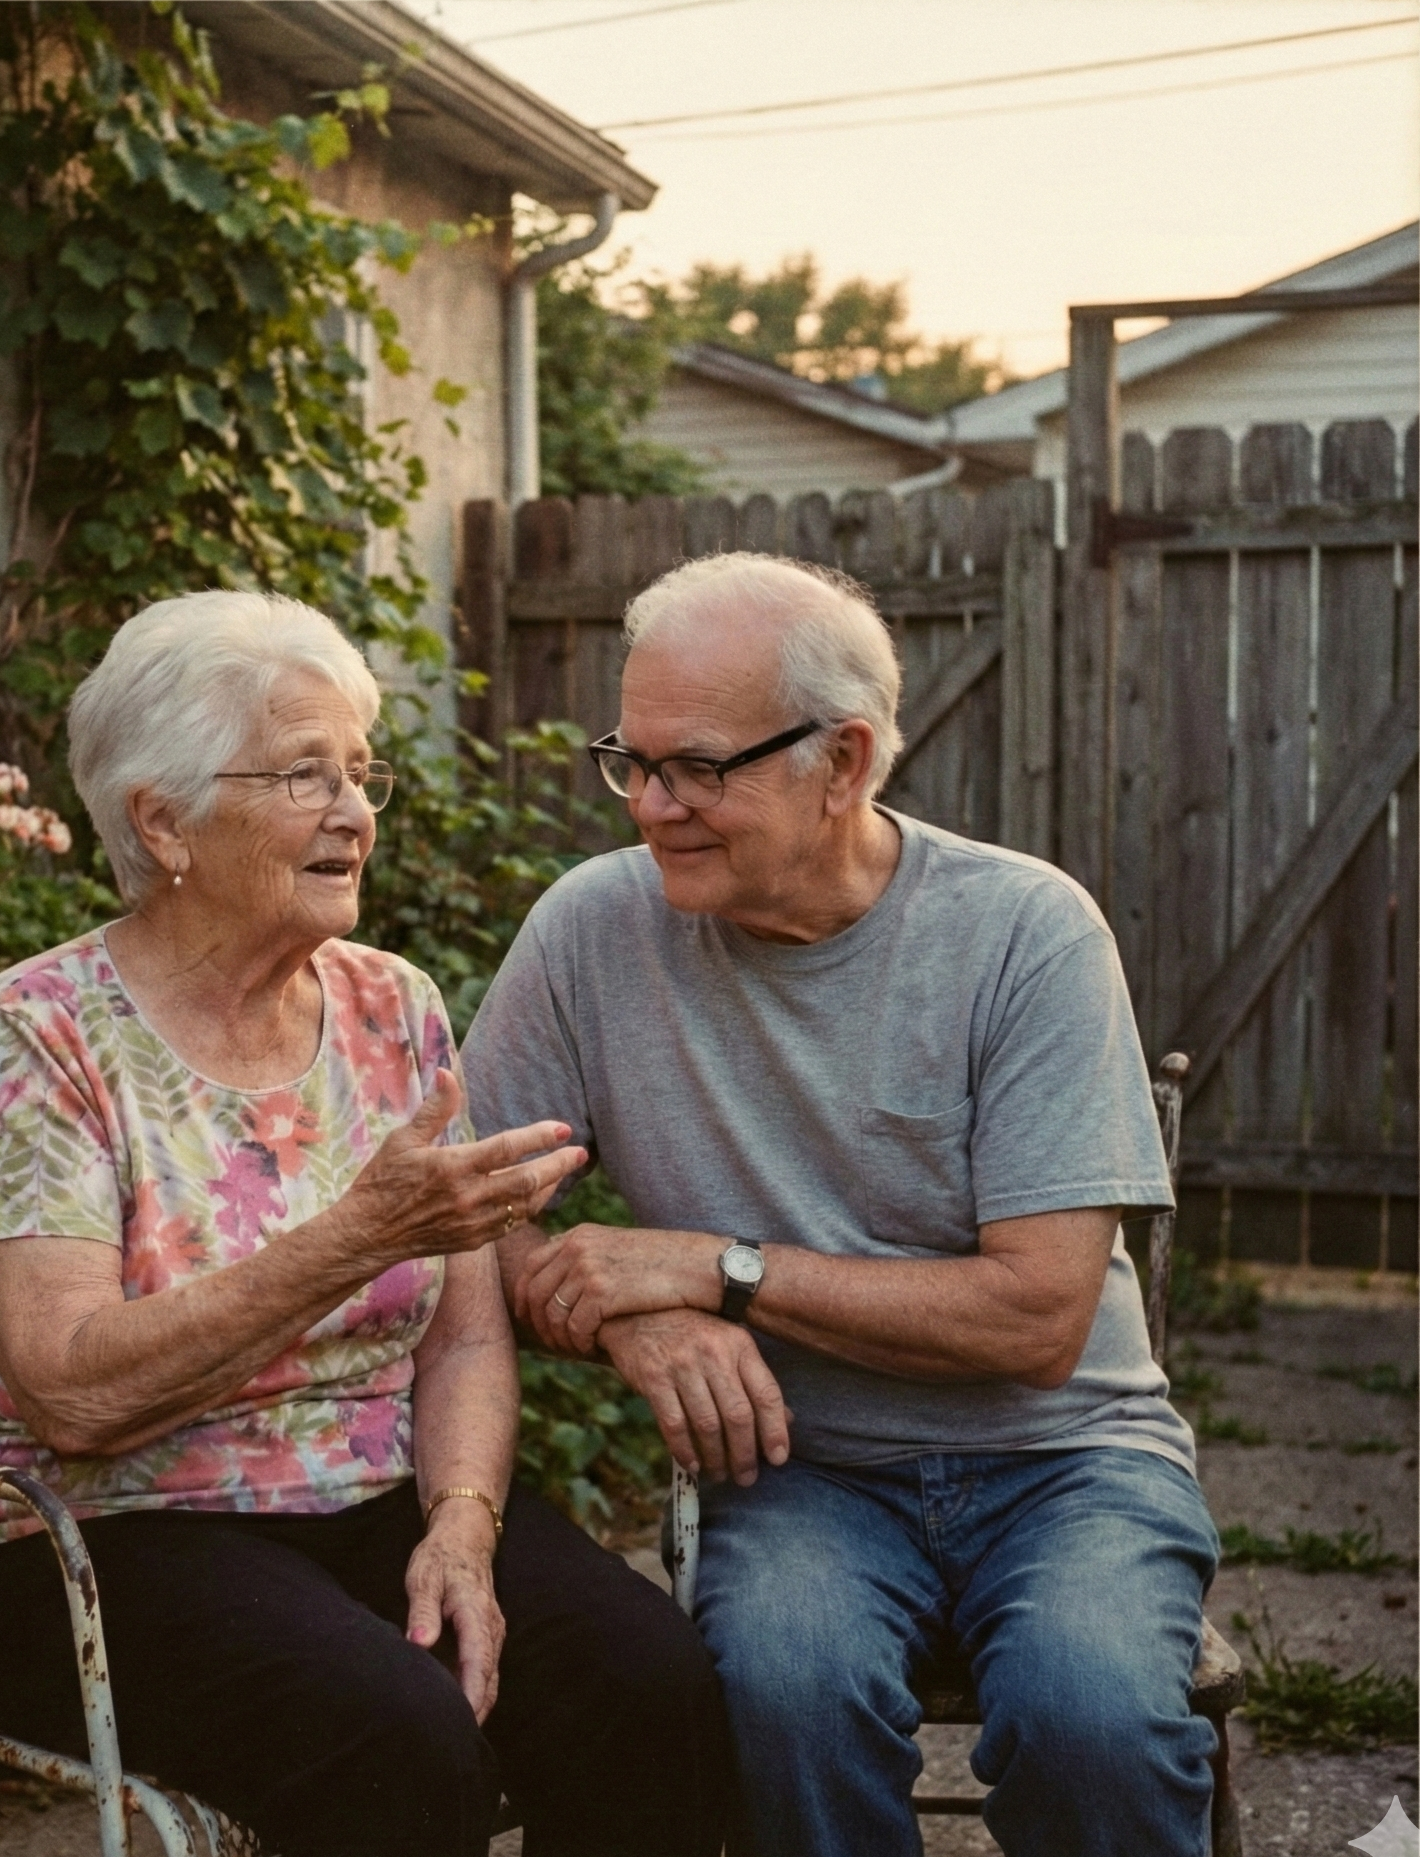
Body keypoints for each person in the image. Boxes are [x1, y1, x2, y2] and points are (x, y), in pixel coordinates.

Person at [0, 591, 727, 1857]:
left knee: (646, 1684)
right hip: (90, 1535)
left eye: (359, 774)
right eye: (305, 776)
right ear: (160, 819)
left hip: (367, 1496)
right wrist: (355, 1236)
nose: (353, 813)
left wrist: (462, 1523)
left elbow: (461, 1340)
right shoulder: (41, 1030)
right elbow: (69, 1395)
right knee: (394, 1738)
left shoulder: (389, 1008)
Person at [462, 553, 1220, 1857]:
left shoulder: (1023, 936)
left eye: (697, 767)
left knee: (1087, 1718)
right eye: (629, 761)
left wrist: (717, 1269)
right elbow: (471, 1211)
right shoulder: (589, 932)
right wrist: (629, 1325)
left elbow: (1037, 1319)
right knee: (782, 1697)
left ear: (844, 761)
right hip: (796, 1474)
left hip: (1067, 1468)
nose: (649, 806)